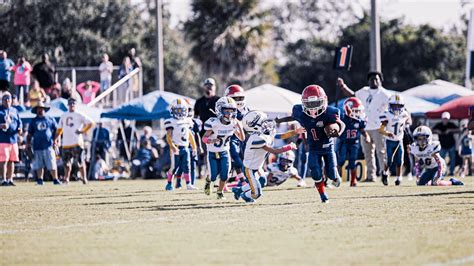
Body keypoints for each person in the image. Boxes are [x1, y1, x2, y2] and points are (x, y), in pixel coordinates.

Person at [276, 85, 345, 203]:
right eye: (309, 104)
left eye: (316, 103)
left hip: (328, 147)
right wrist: (279, 120)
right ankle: (323, 195)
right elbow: (292, 117)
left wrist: (338, 131)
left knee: (331, 173)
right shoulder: (300, 112)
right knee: (316, 172)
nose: (313, 108)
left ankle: (335, 176)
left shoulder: (330, 112)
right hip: (313, 147)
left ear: (324, 100)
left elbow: (341, 124)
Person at [232, 111, 300, 202]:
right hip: (250, 168)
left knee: (262, 181)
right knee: (257, 194)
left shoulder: (266, 133)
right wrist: (289, 147)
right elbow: (274, 151)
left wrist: (295, 132)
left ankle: (239, 190)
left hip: (258, 166)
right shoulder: (257, 138)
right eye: (263, 122)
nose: (267, 123)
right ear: (255, 125)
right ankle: (246, 195)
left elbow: (281, 136)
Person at [337, 72, 391, 182]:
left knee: (381, 152)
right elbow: (352, 96)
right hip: (365, 126)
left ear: (380, 80)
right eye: (371, 79)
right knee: (368, 153)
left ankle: (384, 173)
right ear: (368, 81)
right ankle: (371, 176)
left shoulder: (385, 94)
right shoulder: (364, 91)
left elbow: (393, 108)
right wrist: (343, 86)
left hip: (379, 126)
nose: (374, 81)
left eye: (376, 79)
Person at [202, 97, 245, 199]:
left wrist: (240, 127)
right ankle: (208, 180)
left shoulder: (234, 123)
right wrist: (211, 140)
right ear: (219, 110)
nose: (229, 114)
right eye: (226, 111)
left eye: (232, 111)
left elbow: (242, 138)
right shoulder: (214, 123)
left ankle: (219, 192)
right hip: (212, 152)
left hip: (224, 152)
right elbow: (204, 138)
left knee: (225, 175)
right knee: (213, 176)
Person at [55, 98, 94, 184]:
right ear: (68, 105)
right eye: (70, 104)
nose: (72, 105)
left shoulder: (79, 114)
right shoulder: (64, 115)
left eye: (73, 103)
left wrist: (83, 131)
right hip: (66, 143)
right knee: (66, 163)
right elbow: (59, 129)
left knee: (80, 161)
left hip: (77, 142)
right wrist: (56, 139)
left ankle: (84, 178)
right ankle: (66, 179)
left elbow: (91, 123)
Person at [378, 94, 412, 186]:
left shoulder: (404, 114)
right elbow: (380, 130)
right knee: (389, 161)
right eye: (394, 105)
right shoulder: (387, 114)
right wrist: (387, 133)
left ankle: (398, 177)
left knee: (400, 160)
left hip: (399, 140)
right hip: (389, 140)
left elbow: (408, 122)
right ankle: (385, 174)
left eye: (399, 106)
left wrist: (407, 122)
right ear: (390, 105)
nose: (397, 108)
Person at [164, 99, 197, 190]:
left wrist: (194, 147)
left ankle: (188, 184)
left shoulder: (188, 121)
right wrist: (173, 146)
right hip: (176, 148)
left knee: (187, 166)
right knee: (174, 167)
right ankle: (169, 183)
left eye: (181, 110)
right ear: (172, 110)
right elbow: (168, 136)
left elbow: (190, 135)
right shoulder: (170, 121)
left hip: (185, 147)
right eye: (177, 110)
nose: (179, 112)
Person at [337, 97, 370, 187]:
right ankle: (335, 178)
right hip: (344, 142)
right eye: (354, 111)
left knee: (352, 162)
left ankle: (353, 180)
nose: (357, 113)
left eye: (358, 111)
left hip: (354, 143)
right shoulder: (343, 117)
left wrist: (367, 137)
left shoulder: (359, 121)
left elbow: (362, 130)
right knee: (341, 161)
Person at [26, 102, 61, 185]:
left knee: (52, 163)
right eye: (38, 108)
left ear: (44, 109)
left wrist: (56, 140)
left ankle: (55, 179)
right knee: (39, 164)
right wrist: (28, 144)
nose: (40, 110)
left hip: (49, 145)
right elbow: (29, 134)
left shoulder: (50, 119)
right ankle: (40, 180)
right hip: (37, 146)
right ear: (36, 110)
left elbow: (57, 131)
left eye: (41, 108)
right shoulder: (34, 121)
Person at [224, 84, 250, 185]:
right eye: (235, 98)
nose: (238, 100)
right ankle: (242, 180)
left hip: (245, 138)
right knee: (236, 158)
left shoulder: (248, 110)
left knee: (245, 159)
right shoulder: (226, 110)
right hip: (231, 138)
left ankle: (243, 179)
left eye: (240, 97)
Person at [0, 92, 22, 186]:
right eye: (5, 99)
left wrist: (20, 128)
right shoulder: (0, 110)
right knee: (3, 160)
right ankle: (3, 179)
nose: (7, 101)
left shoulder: (14, 110)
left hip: (13, 139)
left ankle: (10, 179)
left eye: (9, 99)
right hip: (3, 139)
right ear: (2, 101)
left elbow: (19, 122)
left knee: (12, 160)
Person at [432, 111, 459, 176]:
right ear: (442, 118)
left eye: (446, 118)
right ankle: (441, 172)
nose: (445, 120)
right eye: (444, 118)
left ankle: (451, 172)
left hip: (451, 145)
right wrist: (437, 131)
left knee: (452, 160)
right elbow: (430, 130)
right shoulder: (439, 125)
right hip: (442, 146)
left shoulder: (451, 124)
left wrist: (450, 130)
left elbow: (459, 130)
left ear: (448, 119)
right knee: (441, 160)